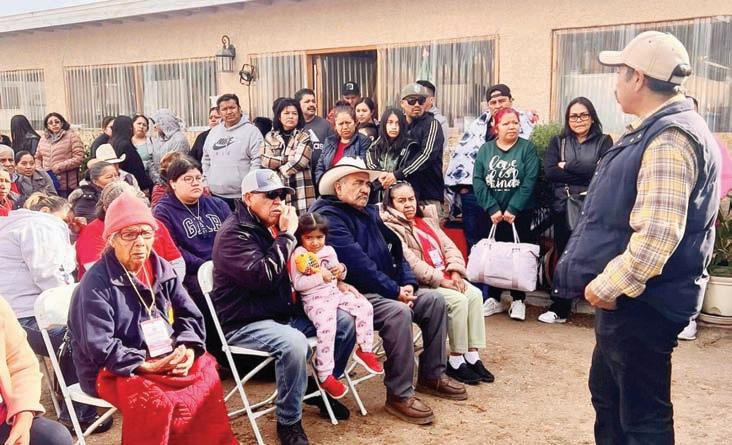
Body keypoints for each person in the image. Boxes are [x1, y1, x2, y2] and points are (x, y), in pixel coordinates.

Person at [553, 31, 720, 444]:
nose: (615, 82)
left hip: (642, 303)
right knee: (610, 400)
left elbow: (659, 234)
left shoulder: (669, 138)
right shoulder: (657, 130)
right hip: (635, 302)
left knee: (642, 418)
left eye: (620, 73)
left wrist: (606, 286)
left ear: (639, 78)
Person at [68, 193, 237, 445]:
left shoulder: (160, 268)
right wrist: (142, 364)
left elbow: (189, 314)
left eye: (146, 234)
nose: (139, 242)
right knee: (157, 400)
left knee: (206, 372)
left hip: (162, 355)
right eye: (129, 234)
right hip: (112, 367)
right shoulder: (96, 283)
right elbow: (98, 345)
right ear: (112, 239)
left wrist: (188, 348)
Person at [311, 157, 466, 425]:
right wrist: (395, 291)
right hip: (352, 294)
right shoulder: (328, 217)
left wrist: (408, 284)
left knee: (433, 301)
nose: (365, 189)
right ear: (338, 187)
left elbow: (397, 249)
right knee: (397, 313)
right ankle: (399, 394)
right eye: (358, 183)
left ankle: (432, 375)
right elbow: (358, 265)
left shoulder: (368, 212)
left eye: (367, 183)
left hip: (386, 288)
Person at [211, 169, 357, 445]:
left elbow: (307, 265)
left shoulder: (273, 226)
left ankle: (321, 384)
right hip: (246, 320)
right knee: (294, 344)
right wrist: (288, 235)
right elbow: (263, 277)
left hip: (282, 312)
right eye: (270, 195)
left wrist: (335, 274)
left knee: (345, 322)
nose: (278, 201)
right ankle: (289, 421)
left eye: (281, 195)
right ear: (248, 198)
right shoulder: (234, 234)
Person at [0, 193, 108, 431]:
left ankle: (75, 400)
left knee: (78, 331)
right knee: (79, 336)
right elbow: (51, 277)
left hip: (16, 316)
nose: (68, 224)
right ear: (47, 212)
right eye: (66, 220)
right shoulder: (39, 226)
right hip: (25, 318)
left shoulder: (16, 223)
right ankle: (78, 413)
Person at [380, 182, 491, 385]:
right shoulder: (390, 226)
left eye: (411, 199)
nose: (408, 204)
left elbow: (449, 247)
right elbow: (411, 263)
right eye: (401, 201)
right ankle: (456, 359)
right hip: (423, 283)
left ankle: (472, 354)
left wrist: (455, 271)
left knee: (474, 295)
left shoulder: (426, 220)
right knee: (458, 301)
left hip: (446, 275)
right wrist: (441, 280)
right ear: (390, 203)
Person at [289, 212, 383, 398]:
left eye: (319, 237)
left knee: (364, 306)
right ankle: (325, 374)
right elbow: (298, 284)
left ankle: (365, 350)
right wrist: (320, 277)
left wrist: (342, 270)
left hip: (334, 293)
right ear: (301, 237)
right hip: (314, 299)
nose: (315, 242)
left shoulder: (329, 250)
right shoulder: (299, 255)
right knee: (327, 327)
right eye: (309, 238)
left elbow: (338, 273)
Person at [538, 97, 613, 324]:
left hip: (593, 206)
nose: (578, 120)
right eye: (573, 116)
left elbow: (604, 172)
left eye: (583, 115)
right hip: (564, 206)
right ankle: (560, 308)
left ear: (592, 117)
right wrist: (587, 171)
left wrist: (568, 166)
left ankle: (600, 307)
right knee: (564, 254)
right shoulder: (558, 141)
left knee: (594, 254)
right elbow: (551, 172)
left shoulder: (604, 141)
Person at [153, 157, 231, 361]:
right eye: (188, 179)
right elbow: (173, 250)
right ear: (173, 183)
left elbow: (233, 238)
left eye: (198, 178)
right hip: (192, 272)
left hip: (225, 266)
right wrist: (206, 266)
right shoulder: (163, 211)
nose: (196, 183)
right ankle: (219, 355)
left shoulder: (217, 205)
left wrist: (224, 263)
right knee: (203, 294)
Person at [445, 83, 538, 250]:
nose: (498, 105)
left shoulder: (526, 125)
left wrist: (513, 206)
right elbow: (465, 160)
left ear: (511, 100)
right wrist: (466, 190)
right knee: (479, 248)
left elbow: (530, 177)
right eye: (493, 102)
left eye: (502, 100)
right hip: (479, 198)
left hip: (513, 201)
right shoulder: (478, 127)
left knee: (512, 249)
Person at [473, 107, 540, 321]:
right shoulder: (486, 149)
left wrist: (514, 208)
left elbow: (530, 180)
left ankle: (518, 300)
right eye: (506, 123)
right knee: (494, 256)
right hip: (491, 214)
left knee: (517, 256)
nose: (512, 127)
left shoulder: (527, 149)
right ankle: (494, 298)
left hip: (519, 214)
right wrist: (492, 207)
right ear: (496, 127)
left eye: (515, 122)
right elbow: (478, 180)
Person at [0, 298, 74, 445]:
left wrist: (23, 414)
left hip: (4, 416)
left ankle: (80, 412)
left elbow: (22, 364)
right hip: (28, 317)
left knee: (54, 438)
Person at [75, 181, 184, 280]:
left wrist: (167, 288)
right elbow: (98, 276)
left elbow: (176, 262)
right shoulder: (91, 233)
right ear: (106, 209)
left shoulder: (153, 225)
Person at [202, 93, 263, 210]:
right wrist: (206, 181)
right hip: (215, 195)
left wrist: (249, 187)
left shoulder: (252, 132)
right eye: (224, 109)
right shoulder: (213, 132)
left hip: (241, 196)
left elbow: (257, 160)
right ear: (219, 112)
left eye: (232, 107)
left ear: (239, 109)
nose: (229, 112)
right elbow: (206, 159)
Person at [261, 98, 315, 215]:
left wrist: (279, 170)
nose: (291, 116)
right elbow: (266, 161)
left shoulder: (304, 135)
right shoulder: (270, 136)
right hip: (278, 191)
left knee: (302, 223)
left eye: (294, 113)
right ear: (279, 117)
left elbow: (300, 161)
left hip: (301, 191)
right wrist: (288, 158)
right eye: (286, 113)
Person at [399, 83, 446, 210]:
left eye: (421, 100)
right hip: (401, 195)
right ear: (402, 103)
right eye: (411, 100)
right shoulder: (397, 125)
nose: (417, 104)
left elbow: (427, 155)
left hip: (427, 196)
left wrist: (398, 174)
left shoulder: (432, 124)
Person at [365, 107, 419, 201]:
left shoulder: (410, 146)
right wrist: (381, 175)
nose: (394, 127)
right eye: (390, 122)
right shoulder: (375, 146)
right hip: (377, 197)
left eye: (397, 123)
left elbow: (409, 169)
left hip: (402, 197)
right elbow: (371, 164)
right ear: (384, 125)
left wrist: (394, 177)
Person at [314, 105, 370, 184]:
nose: (345, 127)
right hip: (329, 186)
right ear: (335, 126)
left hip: (353, 186)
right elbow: (320, 167)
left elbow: (363, 167)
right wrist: (323, 183)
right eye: (341, 124)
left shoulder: (363, 141)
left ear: (355, 123)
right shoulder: (329, 141)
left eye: (348, 123)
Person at [34, 112, 84, 198]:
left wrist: (59, 166)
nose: (54, 124)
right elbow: (38, 157)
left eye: (57, 122)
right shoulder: (43, 139)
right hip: (47, 182)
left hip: (66, 183)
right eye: (50, 123)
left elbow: (79, 158)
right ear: (47, 126)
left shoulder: (72, 137)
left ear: (62, 123)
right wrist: (40, 170)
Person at [296, 88, 335, 181]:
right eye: (307, 101)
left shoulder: (326, 125)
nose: (311, 104)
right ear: (298, 104)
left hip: (321, 177)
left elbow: (332, 151)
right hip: (300, 178)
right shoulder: (294, 125)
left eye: (313, 101)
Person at [110, 115, 154, 192]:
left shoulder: (113, 143)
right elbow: (135, 169)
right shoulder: (126, 146)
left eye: (144, 125)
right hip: (135, 187)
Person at [150, 109, 190, 183]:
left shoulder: (179, 139)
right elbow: (152, 160)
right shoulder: (159, 139)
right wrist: (156, 178)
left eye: (157, 122)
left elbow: (176, 165)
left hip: (174, 182)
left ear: (165, 122)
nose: (155, 126)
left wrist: (165, 180)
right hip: (158, 182)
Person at [417, 80, 449, 151]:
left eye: (421, 97)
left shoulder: (440, 121)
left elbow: (439, 148)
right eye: (414, 97)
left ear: (431, 100)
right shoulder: (411, 117)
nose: (417, 101)